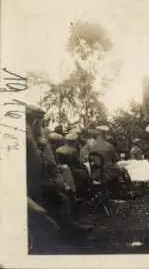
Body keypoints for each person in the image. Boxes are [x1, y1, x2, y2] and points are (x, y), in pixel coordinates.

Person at [26, 105, 93, 245]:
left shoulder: (33, 135)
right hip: (32, 184)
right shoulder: (27, 135)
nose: (44, 127)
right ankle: (68, 230)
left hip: (39, 179)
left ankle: (69, 225)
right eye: (43, 123)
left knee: (61, 191)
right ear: (36, 122)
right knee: (59, 193)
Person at [90, 125, 133, 198]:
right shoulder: (109, 146)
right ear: (104, 134)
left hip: (96, 173)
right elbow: (117, 159)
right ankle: (130, 191)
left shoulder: (92, 147)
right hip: (108, 172)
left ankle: (116, 189)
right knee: (124, 168)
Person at [55, 132, 92, 199]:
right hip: (72, 171)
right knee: (84, 171)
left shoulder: (58, 150)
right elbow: (78, 164)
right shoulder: (73, 151)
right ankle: (88, 192)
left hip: (62, 171)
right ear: (74, 142)